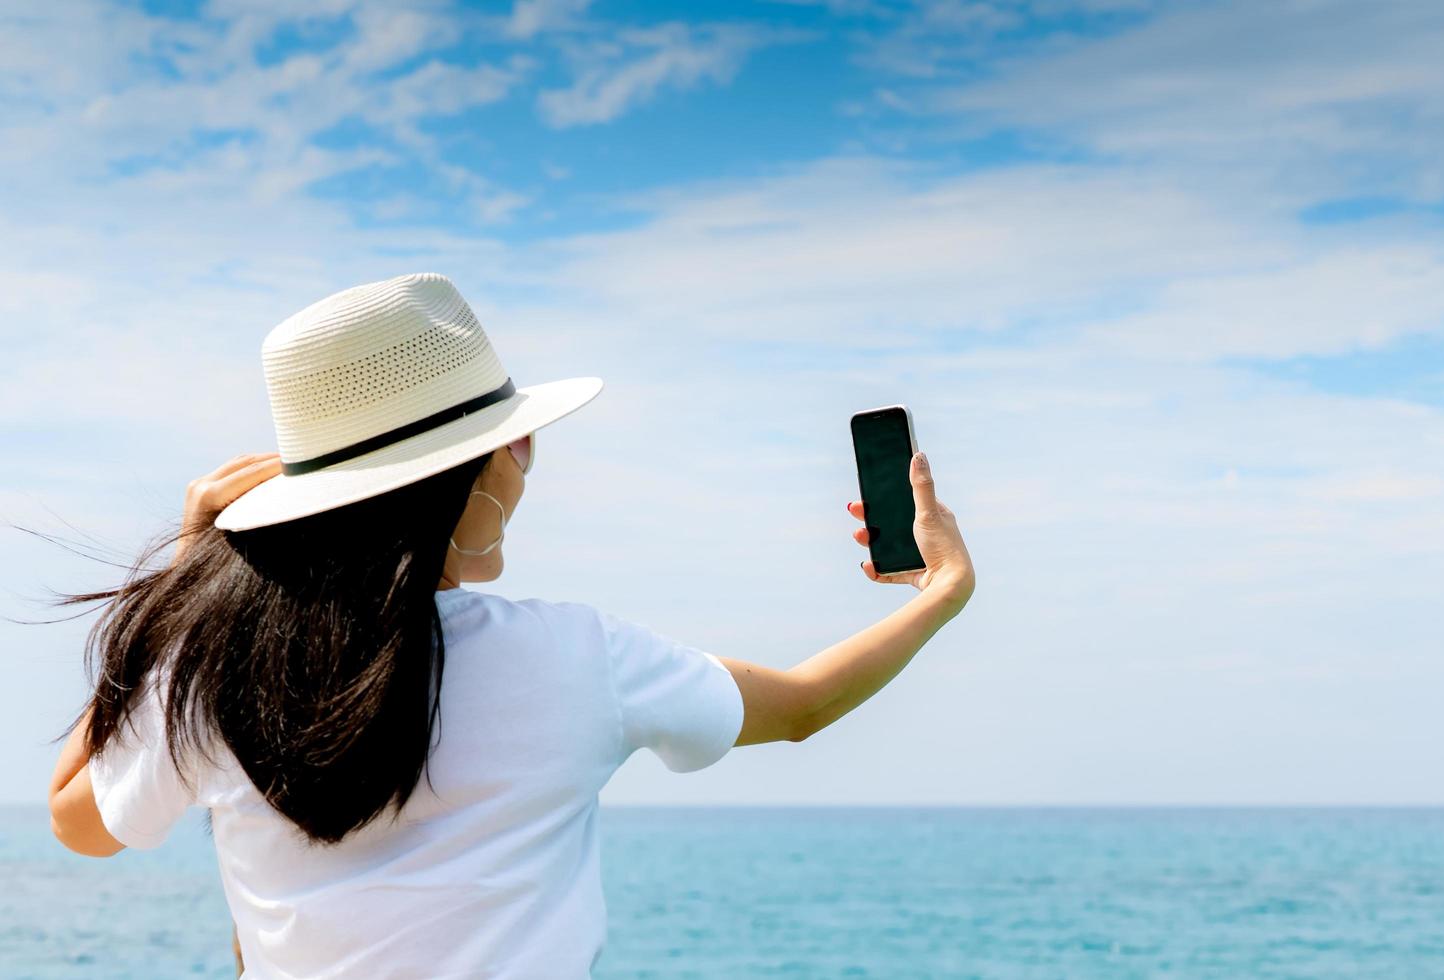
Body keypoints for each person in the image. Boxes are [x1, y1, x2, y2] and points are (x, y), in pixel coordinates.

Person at [42, 272, 976, 978]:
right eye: (519, 439)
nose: (529, 462)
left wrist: (184, 585)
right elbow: (804, 704)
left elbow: (79, 823)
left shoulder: (220, 670)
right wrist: (943, 589)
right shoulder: (579, 657)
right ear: (479, 465)